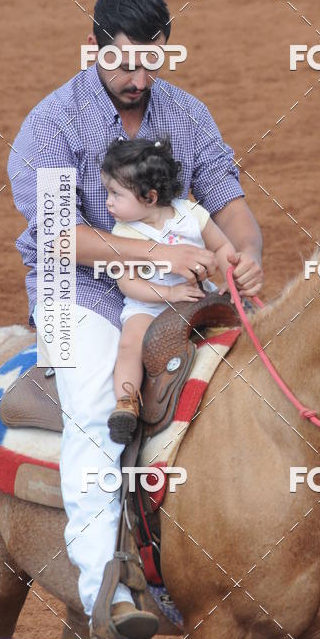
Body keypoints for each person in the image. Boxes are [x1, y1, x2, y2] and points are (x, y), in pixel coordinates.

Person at [7, 0, 263, 639]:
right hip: (74, 290)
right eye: (121, 61)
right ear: (93, 48)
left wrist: (246, 251)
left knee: (259, 371)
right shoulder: (52, 122)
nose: (136, 75)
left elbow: (227, 198)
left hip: (176, 282)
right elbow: (60, 235)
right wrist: (166, 258)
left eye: (151, 60)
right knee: (96, 407)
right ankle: (108, 589)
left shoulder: (186, 114)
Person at [101, 136, 234, 443]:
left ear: (149, 197)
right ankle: (127, 401)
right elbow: (128, 282)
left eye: (115, 194)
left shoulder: (191, 214)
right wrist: (170, 295)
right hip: (148, 306)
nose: (108, 202)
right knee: (130, 343)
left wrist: (230, 279)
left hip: (200, 297)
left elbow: (222, 246)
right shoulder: (125, 232)